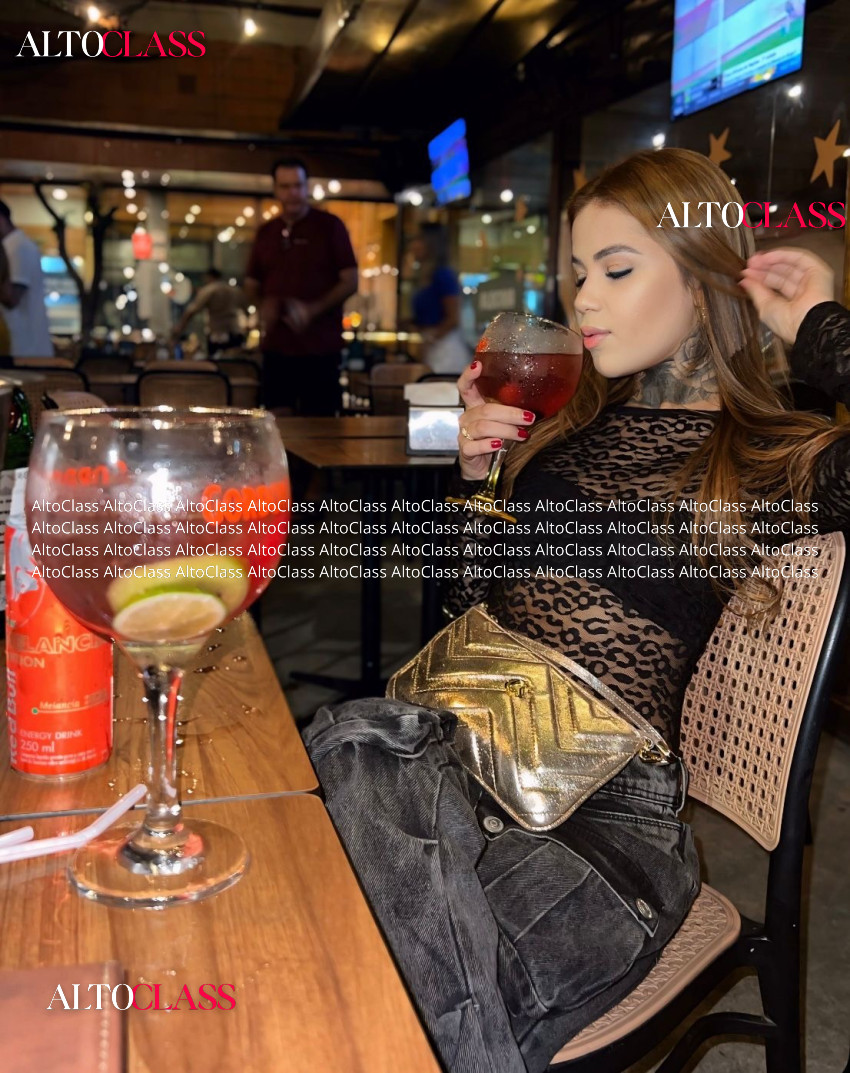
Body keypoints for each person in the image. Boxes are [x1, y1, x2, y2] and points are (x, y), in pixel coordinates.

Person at [303, 146, 850, 1073]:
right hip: (457, 765)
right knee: (355, 761)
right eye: (578, 271)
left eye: (617, 269)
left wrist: (818, 328)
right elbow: (469, 612)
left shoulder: (775, 457)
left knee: (365, 970)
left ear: (706, 279)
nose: (583, 298)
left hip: (606, 833)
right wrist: (477, 479)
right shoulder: (562, 425)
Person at [244, 158, 358, 414]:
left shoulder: (330, 226)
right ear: (276, 189)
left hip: (321, 350)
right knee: (277, 422)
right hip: (276, 349)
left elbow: (351, 280)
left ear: (307, 187)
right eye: (285, 186)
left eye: (298, 185)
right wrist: (262, 306)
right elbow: (251, 283)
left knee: (321, 427)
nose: (292, 192)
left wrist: (312, 310)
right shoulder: (266, 232)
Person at [409, 222, 470, 374]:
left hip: (446, 349)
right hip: (432, 346)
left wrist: (430, 339)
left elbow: (453, 318)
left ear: (431, 244)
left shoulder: (443, 275)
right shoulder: (424, 276)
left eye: (418, 240)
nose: (413, 245)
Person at [0, 198, 54, 359]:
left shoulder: (18, 247)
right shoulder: (15, 245)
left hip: (25, 351)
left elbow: (11, 299)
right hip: (22, 349)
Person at [171, 267, 244, 356]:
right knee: (235, 360)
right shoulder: (235, 290)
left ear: (209, 277)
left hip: (217, 333)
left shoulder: (209, 290)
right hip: (235, 330)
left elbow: (192, 310)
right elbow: (245, 308)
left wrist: (179, 328)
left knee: (215, 360)